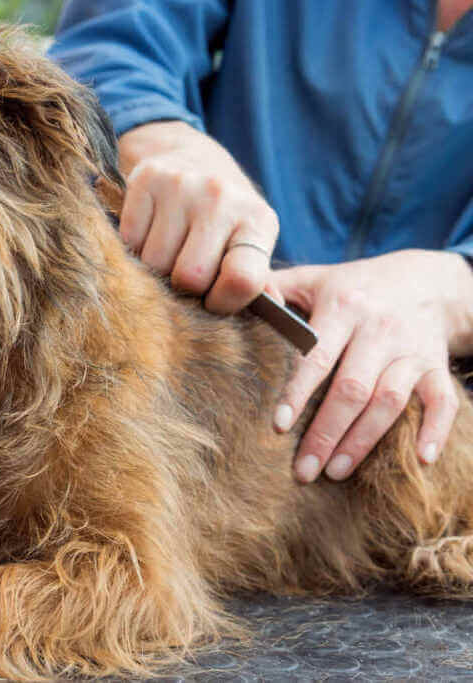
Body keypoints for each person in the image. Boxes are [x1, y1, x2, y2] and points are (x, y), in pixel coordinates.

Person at [47, 0, 473, 483]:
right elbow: (110, 40)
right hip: (159, 368)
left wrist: (449, 289)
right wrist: (159, 139)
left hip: (427, 450)